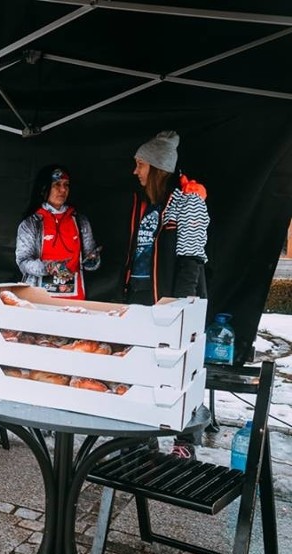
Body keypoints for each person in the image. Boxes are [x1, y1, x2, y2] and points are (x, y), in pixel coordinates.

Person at [126, 130, 209, 458]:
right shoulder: (149, 206)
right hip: (142, 296)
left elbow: (192, 257)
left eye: (140, 164)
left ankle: (184, 442)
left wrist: (180, 308)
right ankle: (141, 437)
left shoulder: (188, 201)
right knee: (141, 368)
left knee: (179, 370)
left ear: (157, 167)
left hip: (172, 300)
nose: (136, 171)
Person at [16, 165, 100, 299]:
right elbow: (23, 262)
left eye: (66, 184)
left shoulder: (80, 221)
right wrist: (49, 267)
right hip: (39, 300)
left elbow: (90, 264)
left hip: (75, 299)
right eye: (57, 184)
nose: (63, 189)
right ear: (44, 188)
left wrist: (93, 259)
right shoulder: (31, 223)